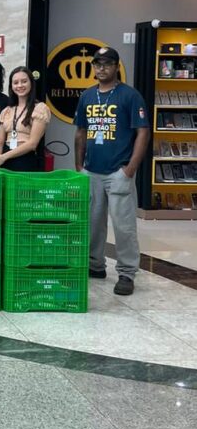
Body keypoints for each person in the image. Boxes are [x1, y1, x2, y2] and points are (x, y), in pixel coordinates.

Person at [74, 46, 149, 296]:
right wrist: (79, 166)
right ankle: (95, 266)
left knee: (124, 226)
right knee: (93, 223)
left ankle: (127, 273)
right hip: (92, 171)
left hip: (118, 171)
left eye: (107, 64)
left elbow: (142, 132)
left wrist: (130, 169)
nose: (101, 68)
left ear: (117, 66)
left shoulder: (130, 96)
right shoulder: (87, 96)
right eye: (97, 64)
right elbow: (81, 132)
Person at [0, 67, 50, 172]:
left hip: (26, 160)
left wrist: (4, 157)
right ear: (11, 86)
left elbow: (32, 144)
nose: (20, 85)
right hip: (5, 161)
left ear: (31, 83)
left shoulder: (40, 108)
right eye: (15, 82)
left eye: (24, 81)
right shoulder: (7, 110)